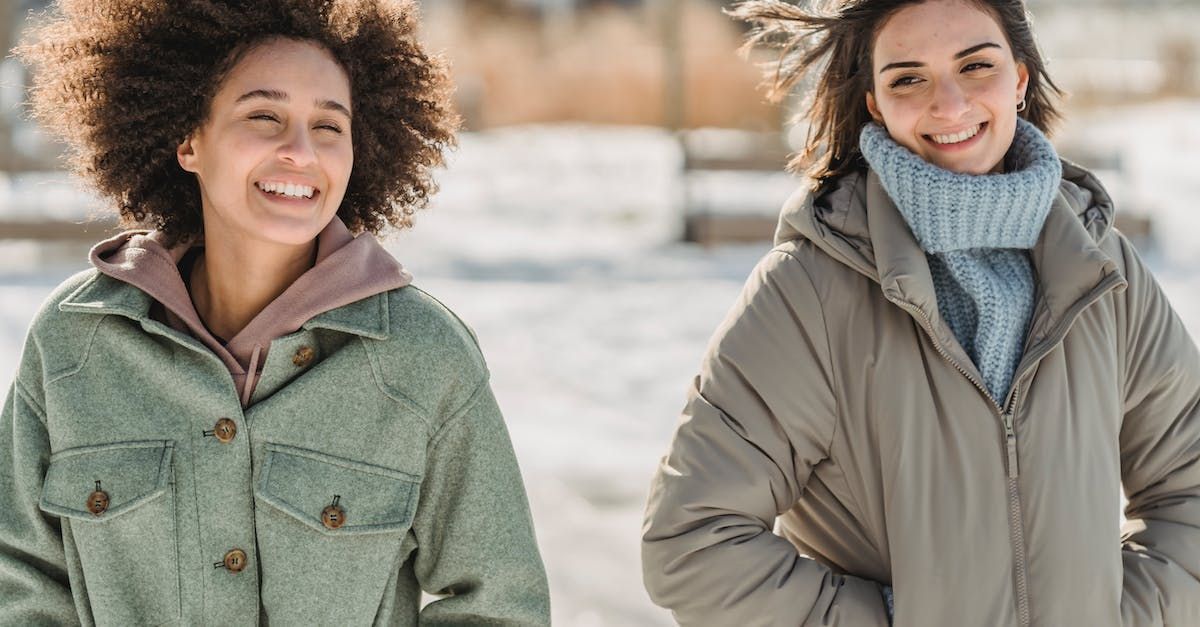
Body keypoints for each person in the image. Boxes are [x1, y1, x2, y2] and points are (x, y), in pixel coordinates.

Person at [641, 0, 1200, 625]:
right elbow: (693, 542)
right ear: (876, 103)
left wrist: (1121, 617)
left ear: (1019, 79)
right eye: (909, 77)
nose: (950, 105)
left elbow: (1191, 485)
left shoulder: (1103, 271)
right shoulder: (809, 291)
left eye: (976, 66)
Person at [2, 1, 550, 624]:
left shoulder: (424, 356)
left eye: (328, 126)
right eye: (264, 115)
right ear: (188, 140)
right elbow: (18, 579)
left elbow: (498, 602)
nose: (299, 151)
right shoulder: (77, 341)